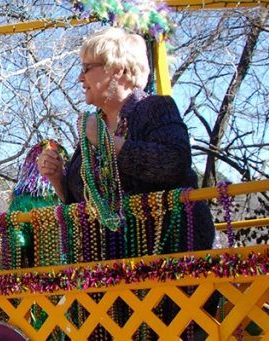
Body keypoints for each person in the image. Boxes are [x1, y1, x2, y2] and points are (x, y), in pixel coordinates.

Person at [36, 27, 214, 252]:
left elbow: (173, 163)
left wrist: (106, 142)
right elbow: (84, 202)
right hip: (112, 264)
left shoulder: (155, 108)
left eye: (86, 68)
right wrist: (57, 178)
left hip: (169, 255)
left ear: (117, 70)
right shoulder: (93, 125)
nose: (80, 77)